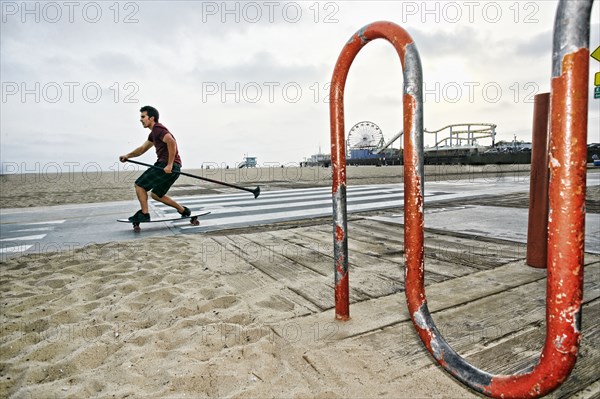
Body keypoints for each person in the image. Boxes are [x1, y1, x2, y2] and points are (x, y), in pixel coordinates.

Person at [119, 105, 190, 222]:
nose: (140, 119)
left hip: (166, 165)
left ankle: (144, 214)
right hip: (174, 168)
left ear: (151, 118)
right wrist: (127, 156)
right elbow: (142, 149)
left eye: (143, 116)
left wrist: (169, 164)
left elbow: (171, 142)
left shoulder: (158, 129)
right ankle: (183, 210)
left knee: (140, 185)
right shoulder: (153, 134)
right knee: (157, 195)